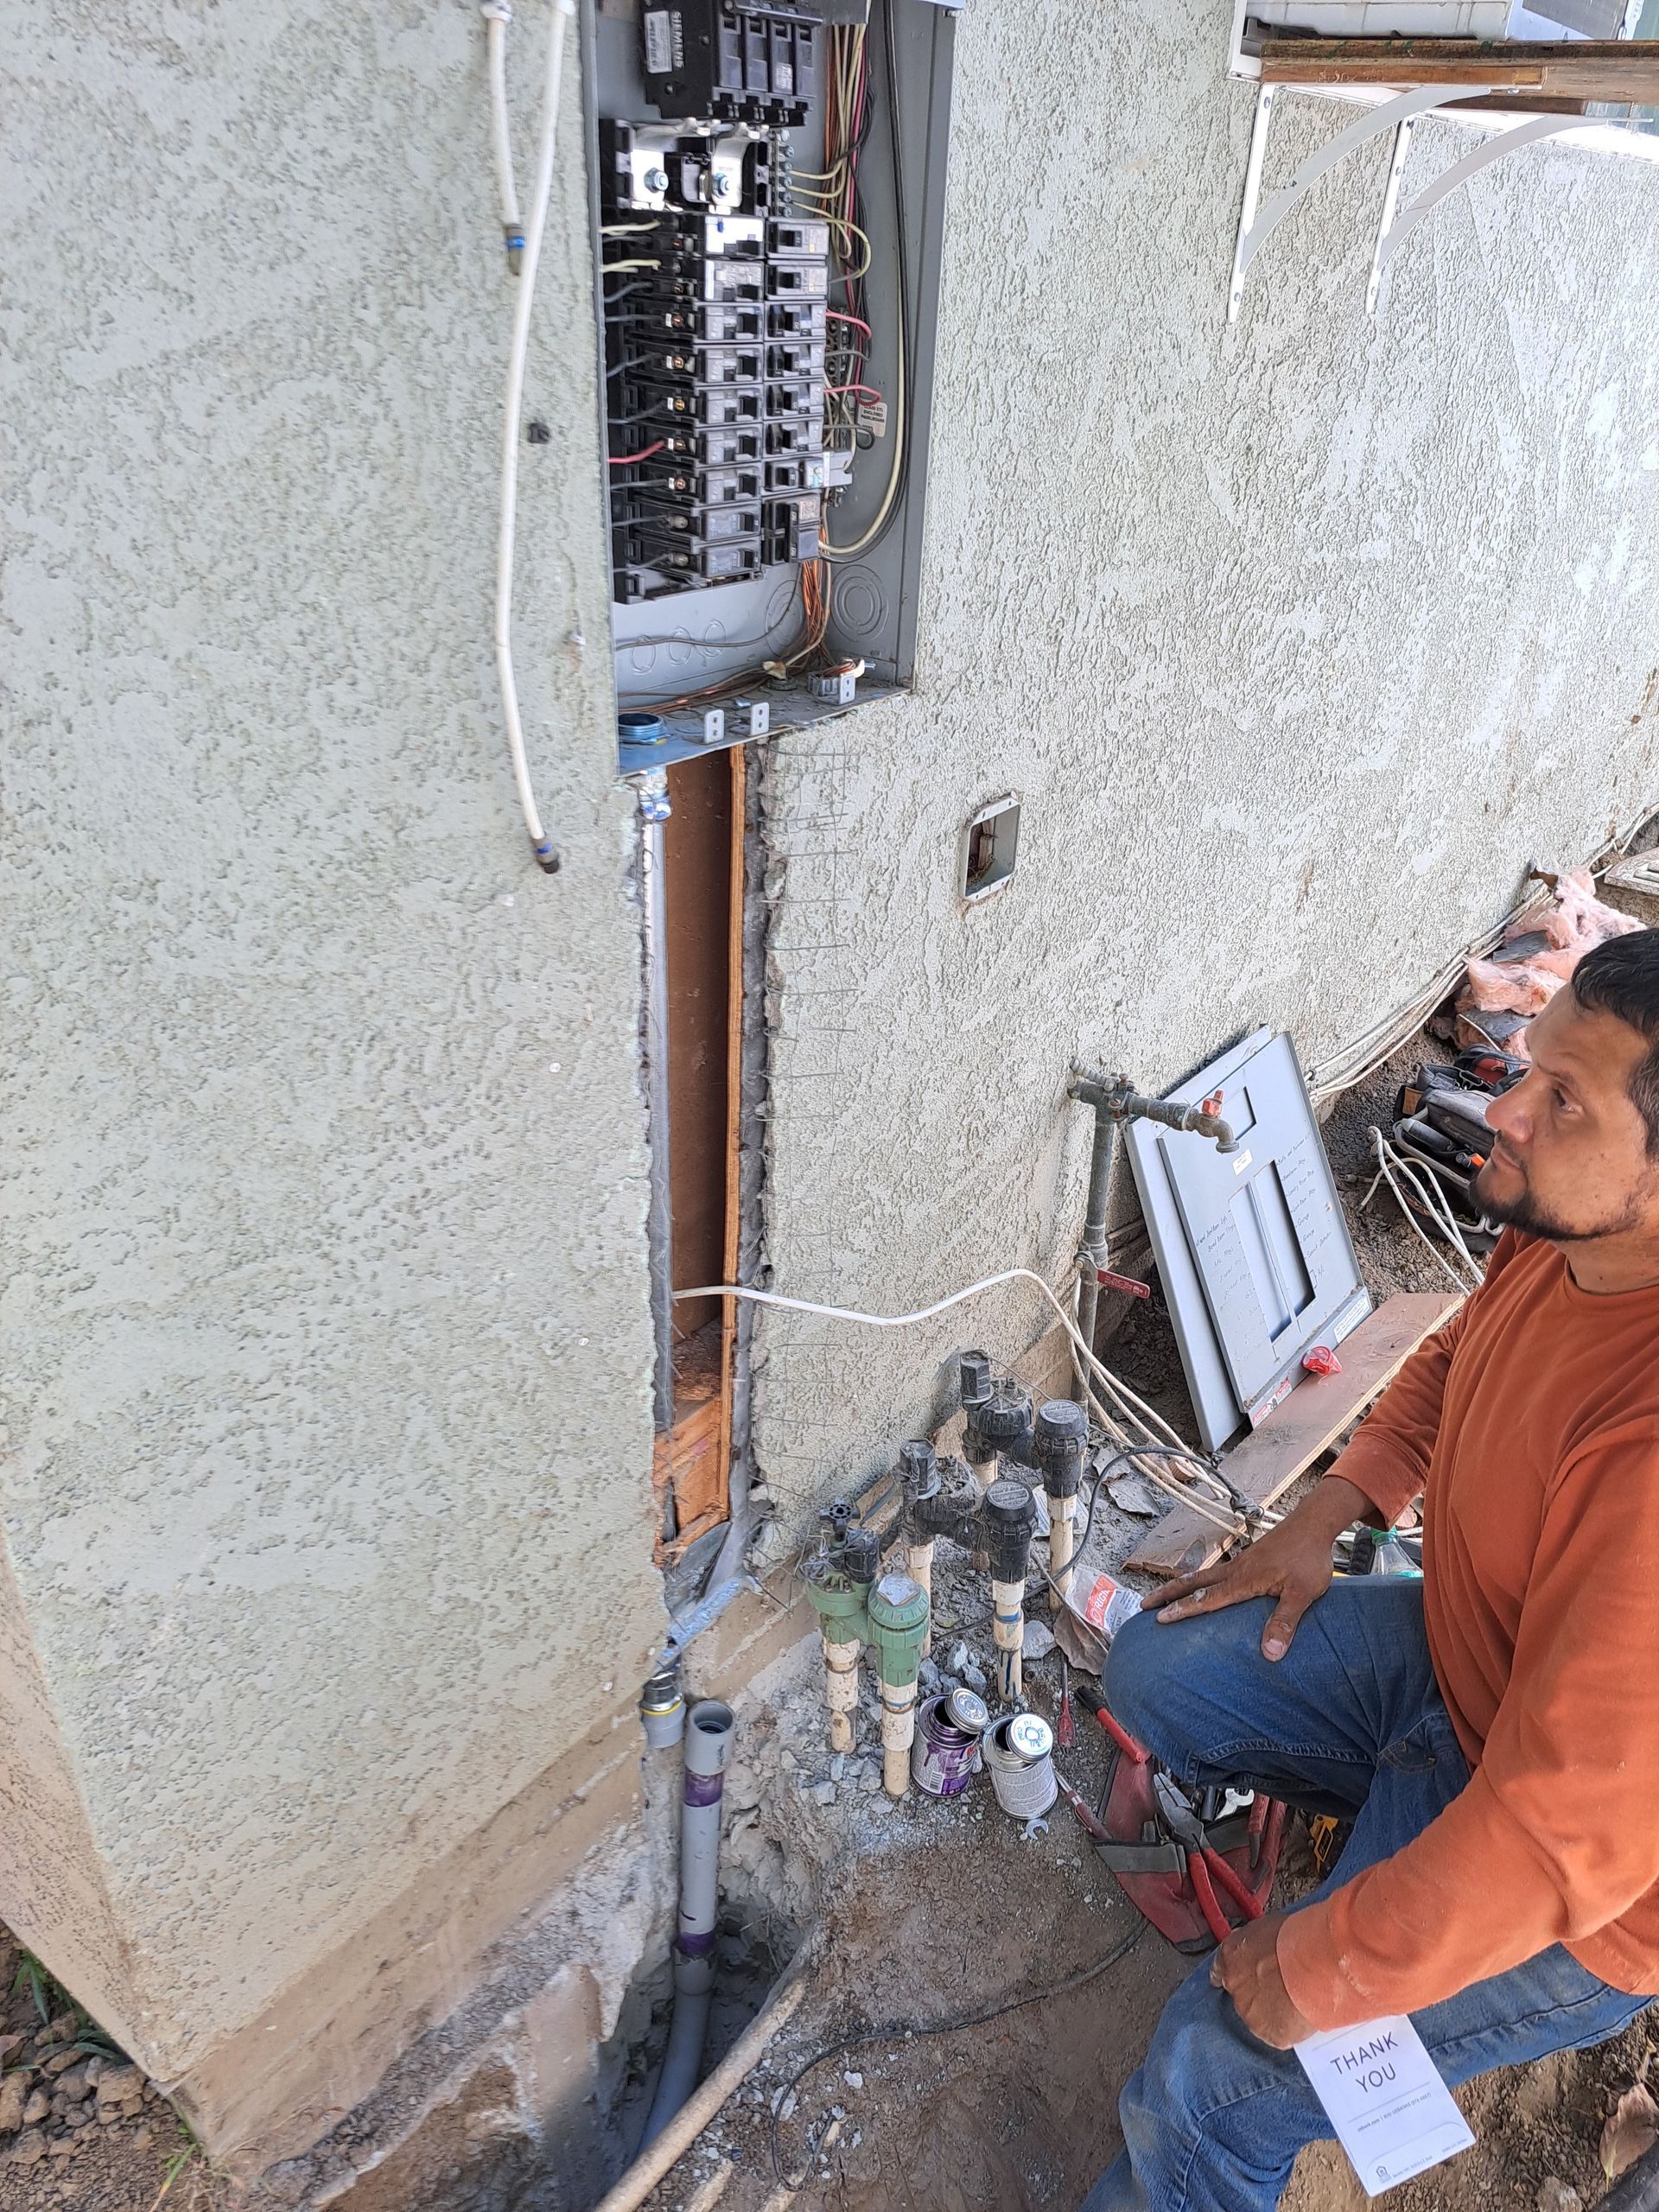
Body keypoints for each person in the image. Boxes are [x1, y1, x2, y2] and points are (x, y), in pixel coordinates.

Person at [1081, 929, 1659, 2212]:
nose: (1504, 1110)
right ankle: (1379, 1809)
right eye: (1530, 1063)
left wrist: (1328, 1961)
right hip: (1466, 1677)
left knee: (1209, 2073)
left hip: (1583, 1895)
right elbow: (1461, 1360)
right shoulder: (1568, 1229)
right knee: (1158, 1668)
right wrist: (1339, 1501)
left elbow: (1558, 1843)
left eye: (1566, 1099)